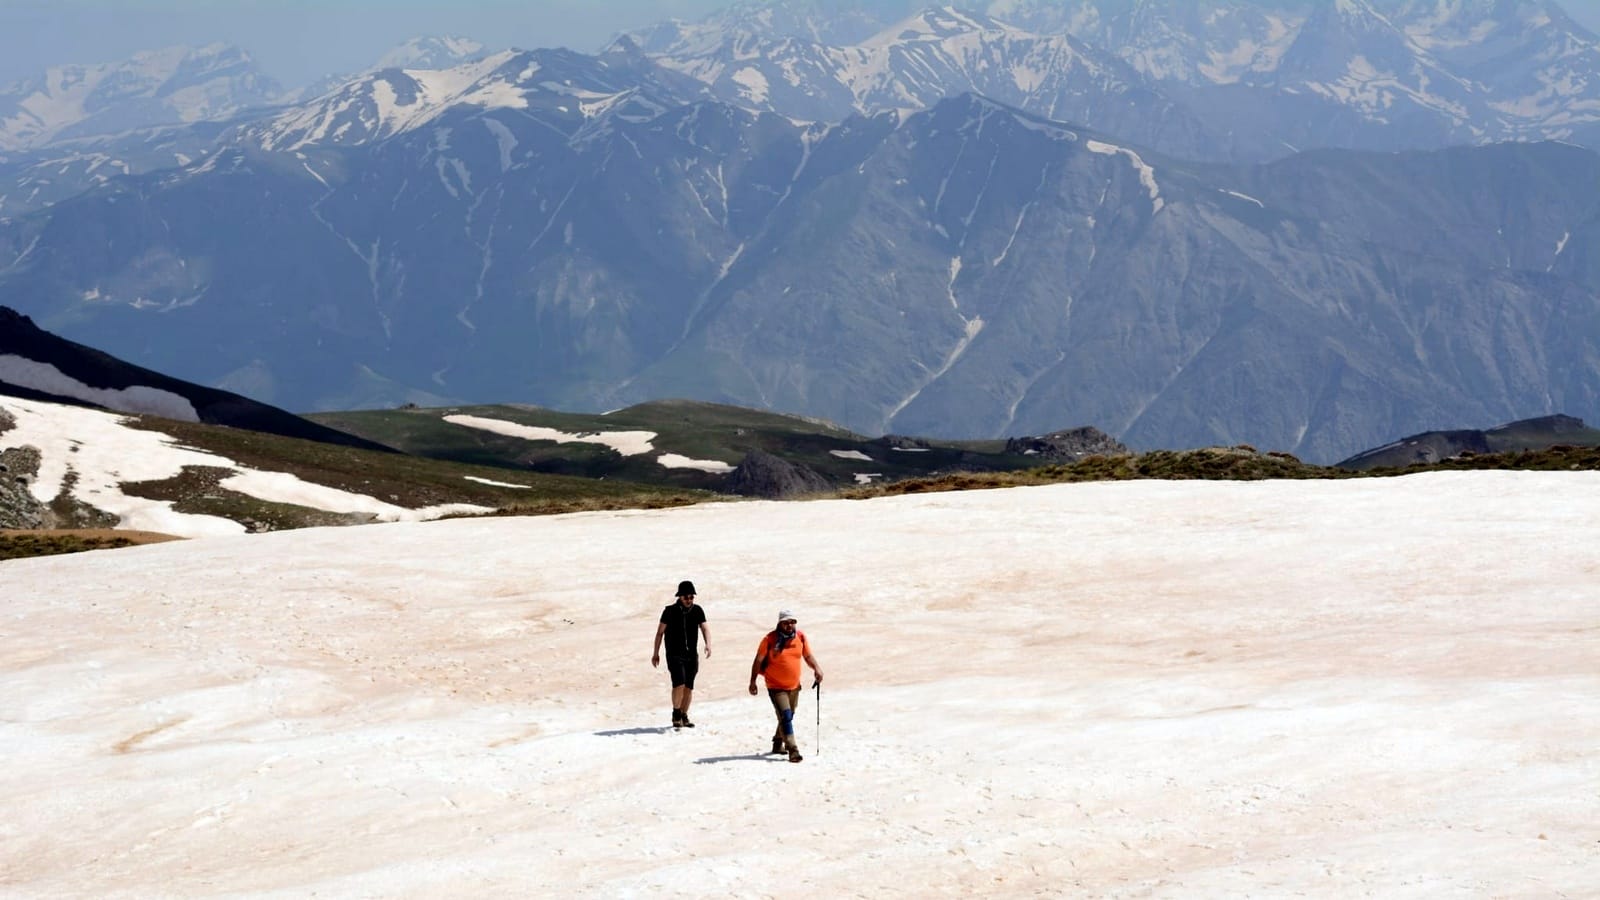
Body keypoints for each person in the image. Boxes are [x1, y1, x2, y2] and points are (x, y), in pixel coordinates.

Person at [748, 609, 823, 763]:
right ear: (779, 624)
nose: (790, 625)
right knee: (786, 716)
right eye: (786, 623)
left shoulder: (800, 637)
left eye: (792, 622)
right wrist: (753, 681)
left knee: (788, 716)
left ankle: (777, 742)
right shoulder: (769, 639)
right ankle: (793, 750)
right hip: (775, 685)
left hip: (794, 685)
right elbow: (758, 660)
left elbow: (807, 656)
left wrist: (816, 668)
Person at [652, 580, 710, 728]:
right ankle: (676, 713)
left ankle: (684, 715)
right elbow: (659, 633)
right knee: (679, 683)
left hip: (691, 655)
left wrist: (708, 644)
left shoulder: (697, 610)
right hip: (674, 654)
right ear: (679, 597)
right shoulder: (669, 611)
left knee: (688, 686)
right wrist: (656, 653)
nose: (689, 600)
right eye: (686, 597)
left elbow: (704, 628)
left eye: (691, 597)